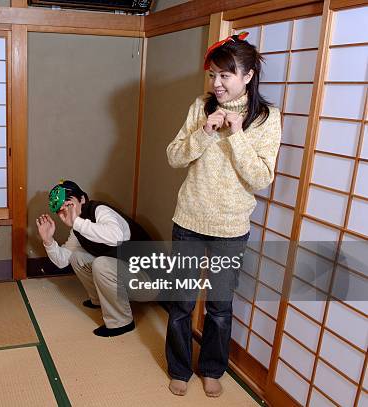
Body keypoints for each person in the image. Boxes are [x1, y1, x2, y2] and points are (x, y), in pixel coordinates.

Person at [165, 32, 281, 397]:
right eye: (212, 75)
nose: (216, 83)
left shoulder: (265, 117)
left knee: (219, 307)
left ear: (247, 76)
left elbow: (261, 177)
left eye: (225, 76)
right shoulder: (200, 107)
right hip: (188, 219)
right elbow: (173, 157)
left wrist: (236, 136)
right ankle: (179, 369)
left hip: (231, 226)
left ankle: (212, 369)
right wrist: (204, 132)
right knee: (181, 304)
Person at [36, 180, 152, 337]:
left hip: (149, 281)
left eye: (69, 206)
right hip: (129, 275)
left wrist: (76, 222)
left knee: (101, 264)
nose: (66, 213)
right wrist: (48, 241)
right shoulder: (78, 229)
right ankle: (100, 300)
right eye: (61, 211)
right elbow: (64, 261)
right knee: (77, 257)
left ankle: (121, 322)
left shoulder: (100, 210)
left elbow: (115, 236)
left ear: (82, 199)